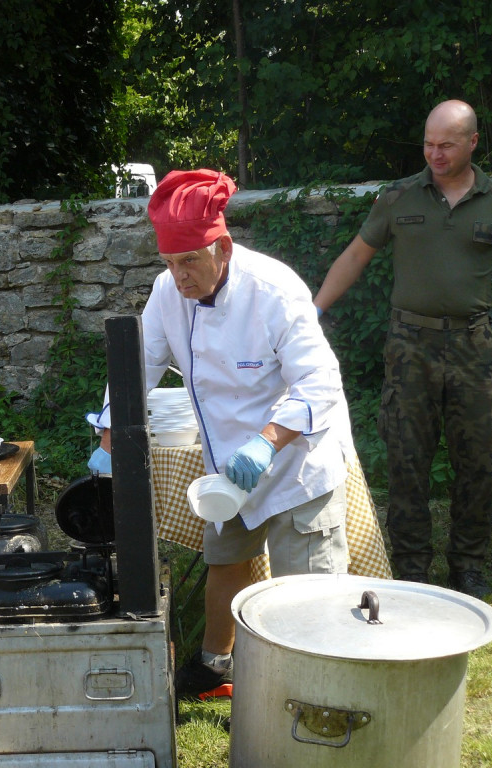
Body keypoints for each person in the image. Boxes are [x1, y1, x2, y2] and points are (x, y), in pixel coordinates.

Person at [89, 169, 353, 697]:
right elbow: (138, 364)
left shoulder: (274, 291)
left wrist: (268, 440)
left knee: (305, 587)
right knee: (225, 559)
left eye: (190, 260)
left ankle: (314, 686)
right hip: (227, 464)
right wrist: (109, 425)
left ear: (224, 247)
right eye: (168, 262)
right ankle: (216, 666)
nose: (179, 276)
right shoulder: (168, 292)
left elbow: (320, 379)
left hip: (294, 457)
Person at [314, 100, 492, 599]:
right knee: (407, 457)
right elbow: (355, 254)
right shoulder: (399, 197)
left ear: (472, 143)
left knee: (477, 459)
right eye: (428, 144)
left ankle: (468, 566)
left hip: (473, 346)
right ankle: (412, 568)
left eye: (446, 145)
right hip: (409, 345)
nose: (434, 154)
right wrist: (316, 311)